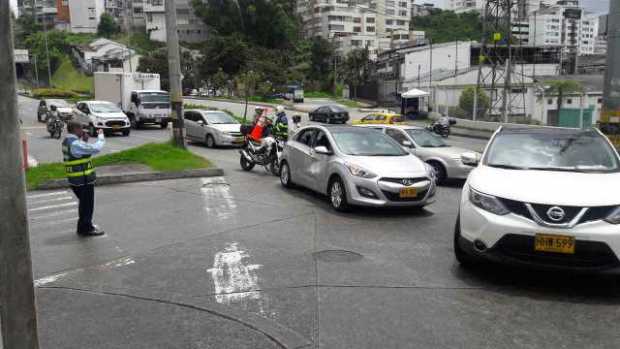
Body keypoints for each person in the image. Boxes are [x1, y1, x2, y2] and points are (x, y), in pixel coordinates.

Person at [62, 121, 106, 236]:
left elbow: (80, 154)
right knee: (87, 205)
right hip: (83, 179)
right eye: (81, 129)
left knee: (84, 204)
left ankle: (82, 227)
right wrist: (101, 136)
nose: (83, 131)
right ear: (76, 129)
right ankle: (86, 228)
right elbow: (95, 149)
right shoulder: (75, 144)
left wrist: (84, 141)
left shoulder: (68, 141)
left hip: (76, 180)